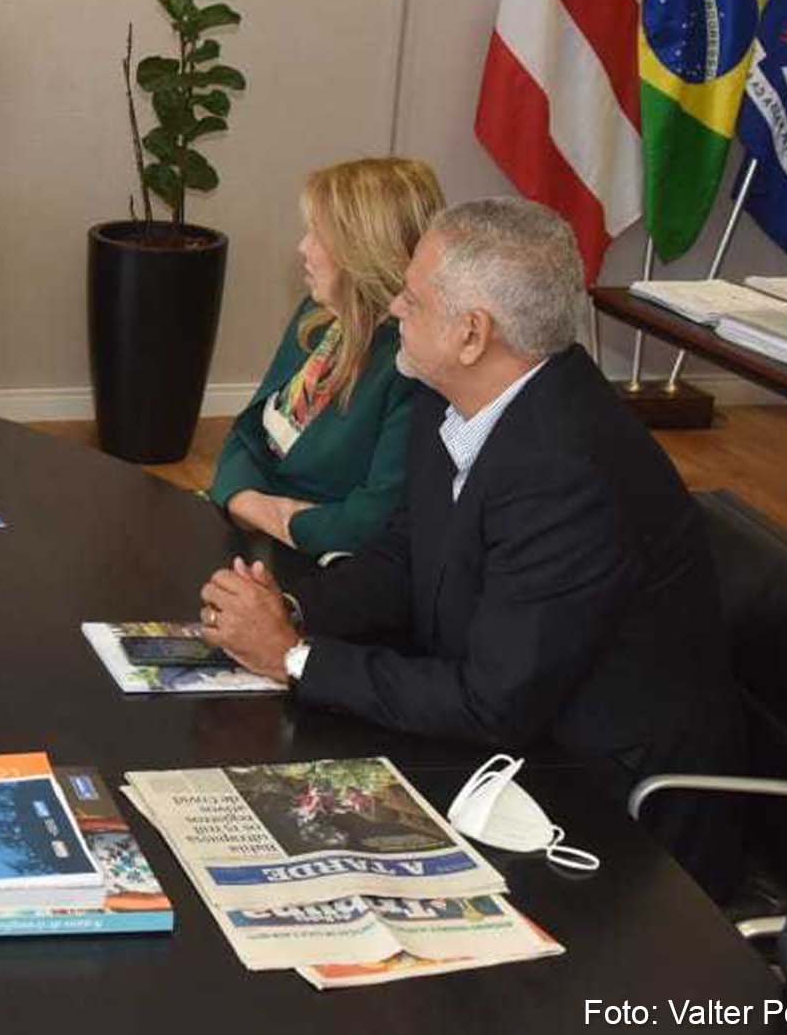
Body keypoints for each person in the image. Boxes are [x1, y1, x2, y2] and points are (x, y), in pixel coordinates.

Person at [196, 198, 747, 897]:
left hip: (604, 815)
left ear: (471, 334)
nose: (394, 305)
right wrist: (294, 607)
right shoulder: (450, 394)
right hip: (509, 735)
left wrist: (294, 658)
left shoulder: (568, 472)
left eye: (414, 298)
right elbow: (406, 557)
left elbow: (494, 704)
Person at [207, 157, 444, 554]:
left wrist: (277, 518)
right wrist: (250, 504)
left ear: (363, 251)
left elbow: (372, 521)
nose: (302, 248)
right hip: (259, 526)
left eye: (318, 235)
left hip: (323, 564)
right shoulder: (318, 321)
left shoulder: (413, 365)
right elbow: (248, 436)